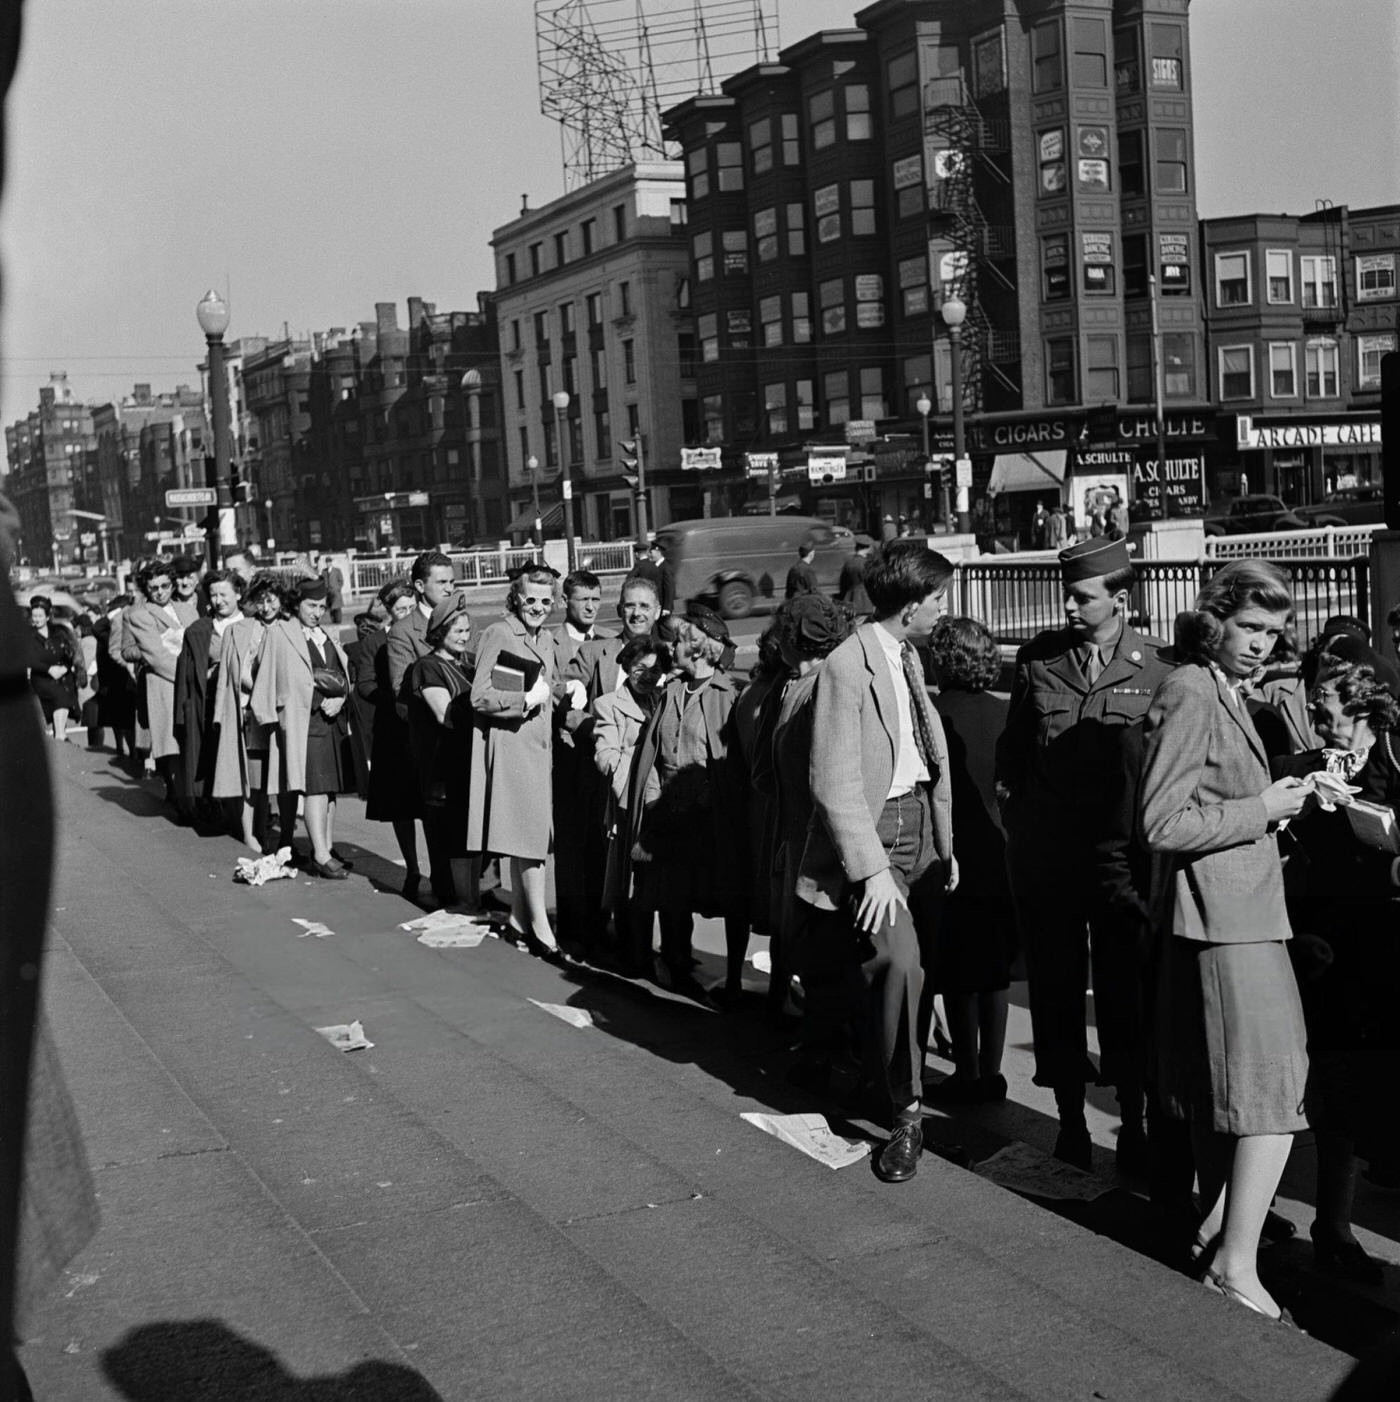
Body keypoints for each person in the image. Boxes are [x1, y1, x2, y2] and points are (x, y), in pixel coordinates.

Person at [1139, 559, 1311, 1321]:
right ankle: (1236, 1264)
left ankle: (1219, 1235)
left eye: (1273, 634)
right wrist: (1264, 808)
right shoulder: (1189, 690)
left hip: (1238, 917)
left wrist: (1283, 798)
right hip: (1223, 921)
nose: (1261, 646)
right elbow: (1160, 823)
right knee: (1273, 1098)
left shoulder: (1217, 688)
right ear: (1215, 619)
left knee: (1234, 1094)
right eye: (1249, 628)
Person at [995, 535, 1173, 1172]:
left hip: (1123, 862)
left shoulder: (1159, 667)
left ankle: (1134, 1118)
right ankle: (1070, 1115)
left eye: (1082, 595)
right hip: (1051, 861)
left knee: (1127, 989)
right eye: (1067, 594)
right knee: (1056, 987)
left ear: (1119, 599)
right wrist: (1018, 815)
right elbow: (1013, 752)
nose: (1069, 606)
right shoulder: (1040, 660)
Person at [795, 542, 957, 1183]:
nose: (946, 609)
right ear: (912, 604)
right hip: (876, 836)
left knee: (914, 972)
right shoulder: (845, 665)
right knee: (898, 962)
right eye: (940, 598)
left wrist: (946, 844)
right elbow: (831, 779)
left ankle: (876, 1076)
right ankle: (908, 1113)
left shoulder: (908, 654)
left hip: (920, 828)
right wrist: (869, 868)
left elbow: (923, 754)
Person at [1271, 635, 1400, 1287]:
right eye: (1315, 715)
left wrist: (1370, 822)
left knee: (1368, 1093)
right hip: (1321, 946)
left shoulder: (1395, 766)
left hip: (1385, 940)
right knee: (1326, 1090)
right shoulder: (1297, 765)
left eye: (1331, 719)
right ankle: (1329, 1224)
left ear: (1368, 716)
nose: (1320, 731)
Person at [624, 604, 751, 1001]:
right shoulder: (671, 691)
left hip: (709, 816)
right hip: (667, 810)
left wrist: (702, 800)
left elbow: (733, 766)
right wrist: (654, 800)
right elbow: (655, 754)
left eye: (678, 641)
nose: (670, 646)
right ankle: (676, 963)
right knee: (671, 895)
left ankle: (732, 978)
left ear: (697, 649)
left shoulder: (729, 695)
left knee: (727, 895)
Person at [924, 617, 1016, 1104]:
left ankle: (968, 1069)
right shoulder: (1004, 714)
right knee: (994, 973)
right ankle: (994, 1071)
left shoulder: (934, 715)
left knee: (959, 973)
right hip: (999, 855)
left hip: (952, 853)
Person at [763, 594, 850, 1045]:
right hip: (795, 837)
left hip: (818, 844)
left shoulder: (822, 687)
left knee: (820, 947)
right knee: (802, 942)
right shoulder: (796, 685)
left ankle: (827, 1041)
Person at [468, 564, 562, 954]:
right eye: (531, 600)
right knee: (532, 841)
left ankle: (519, 920)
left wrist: (559, 692)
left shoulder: (545, 638)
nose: (538, 607)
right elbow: (480, 694)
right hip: (511, 748)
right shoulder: (500, 632)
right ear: (516, 598)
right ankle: (541, 928)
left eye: (546, 600)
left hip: (537, 750)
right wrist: (523, 701)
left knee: (527, 836)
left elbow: (537, 686)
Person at [251, 578, 356, 879]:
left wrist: (341, 698)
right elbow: (266, 671)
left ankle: (327, 847)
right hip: (304, 719)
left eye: (322, 607)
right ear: (296, 604)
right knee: (315, 786)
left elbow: (341, 671)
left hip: (333, 720)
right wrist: (320, 698)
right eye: (311, 605)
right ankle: (320, 855)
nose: (317, 612)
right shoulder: (281, 633)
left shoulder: (325, 634)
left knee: (331, 788)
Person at [591, 635, 671, 970]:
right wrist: (635, 782)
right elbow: (605, 755)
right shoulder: (608, 704)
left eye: (654, 670)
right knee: (626, 882)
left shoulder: (664, 700)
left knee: (658, 881)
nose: (647, 676)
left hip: (660, 803)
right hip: (626, 808)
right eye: (640, 668)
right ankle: (630, 953)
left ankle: (658, 951)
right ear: (626, 667)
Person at [407, 595, 475, 910]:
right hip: (443, 767)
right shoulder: (427, 666)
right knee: (449, 834)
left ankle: (474, 895)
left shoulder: (471, 662)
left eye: (467, 630)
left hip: (471, 762)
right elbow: (444, 713)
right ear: (439, 632)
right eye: (457, 631)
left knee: (471, 833)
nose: (464, 637)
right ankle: (453, 896)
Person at [211, 572, 285, 853]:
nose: (266, 607)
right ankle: (250, 833)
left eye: (271, 600)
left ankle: (277, 832)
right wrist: (221, 715)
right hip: (249, 714)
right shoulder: (239, 630)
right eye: (260, 601)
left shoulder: (289, 627)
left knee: (276, 778)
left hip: (280, 714)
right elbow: (227, 678)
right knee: (251, 778)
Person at [362, 579, 426, 899]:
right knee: (402, 805)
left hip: (424, 726)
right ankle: (413, 868)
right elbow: (364, 684)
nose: (406, 614)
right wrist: (394, 699)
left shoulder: (426, 633)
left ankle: (437, 868)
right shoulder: (376, 642)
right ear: (388, 612)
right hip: (394, 730)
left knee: (429, 802)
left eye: (411, 608)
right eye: (400, 609)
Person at [123, 558, 201, 809]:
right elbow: (156, 656)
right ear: (146, 589)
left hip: (191, 682)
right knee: (172, 744)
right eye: (154, 588)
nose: (160, 592)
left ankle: (194, 797)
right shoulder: (139, 614)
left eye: (165, 585)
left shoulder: (187, 608)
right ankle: (183, 801)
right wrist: (190, 675)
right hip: (166, 684)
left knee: (193, 740)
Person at [172, 569, 244, 823]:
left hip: (246, 707)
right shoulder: (198, 631)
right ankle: (221, 813)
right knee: (214, 763)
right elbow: (185, 679)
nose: (218, 600)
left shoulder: (254, 624)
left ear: (238, 593)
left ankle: (254, 818)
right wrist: (183, 717)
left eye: (224, 594)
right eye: (212, 595)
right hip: (210, 707)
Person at [387, 550, 459, 713]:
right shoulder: (402, 632)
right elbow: (403, 694)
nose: (449, 589)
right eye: (441, 582)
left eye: (452, 582)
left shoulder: (467, 622)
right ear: (420, 585)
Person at [25, 596, 79, 742]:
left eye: (40, 616)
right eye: (34, 616)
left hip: (62, 675)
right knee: (59, 694)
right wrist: (48, 669)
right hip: (42, 677)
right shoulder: (28, 635)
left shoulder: (60, 633)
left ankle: (60, 732)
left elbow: (71, 653)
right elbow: (28, 659)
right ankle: (60, 735)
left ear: (48, 616)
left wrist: (65, 668)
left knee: (65, 688)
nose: (36, 619)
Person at [837, 536, 874, 616]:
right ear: (867, 549)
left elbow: (842, 584)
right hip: (865, 603)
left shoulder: (848, 563)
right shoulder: (866, 564)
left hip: (849, 600)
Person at [319, 554, 345, 625]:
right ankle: (333, 620)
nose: (328, 563)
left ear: (331, 562)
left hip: (335, 592)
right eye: (327, 562)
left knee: (337, 607)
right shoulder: (324, 571)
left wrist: (338, 588)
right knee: (330, 607)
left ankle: (338, 620)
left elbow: (341, 581)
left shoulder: (337, 570)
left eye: (329, 562)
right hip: (328, 592)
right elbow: (322, 581)